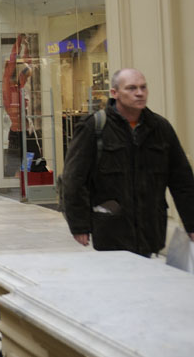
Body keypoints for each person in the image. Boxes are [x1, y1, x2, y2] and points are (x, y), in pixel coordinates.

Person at [62, 68, 194, 256]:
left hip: (150, 230)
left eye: (143, 87)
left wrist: (191, 222)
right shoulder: (94, 127)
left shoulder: (160, 128)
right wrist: (79, 225)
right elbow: (73, 179)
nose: (139, 93)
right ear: (115, 93)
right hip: (111, 231)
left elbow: (182, 180)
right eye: (131, 88)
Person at [2, 33, 40, 176]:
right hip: (17, 132)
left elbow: (28, 65)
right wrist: (18, 42)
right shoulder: (8, 85)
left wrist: (27, 47)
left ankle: (28, 180)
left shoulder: (20, 85)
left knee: (33, 161)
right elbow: (12, 63)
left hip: (27, 130)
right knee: (13, 166)